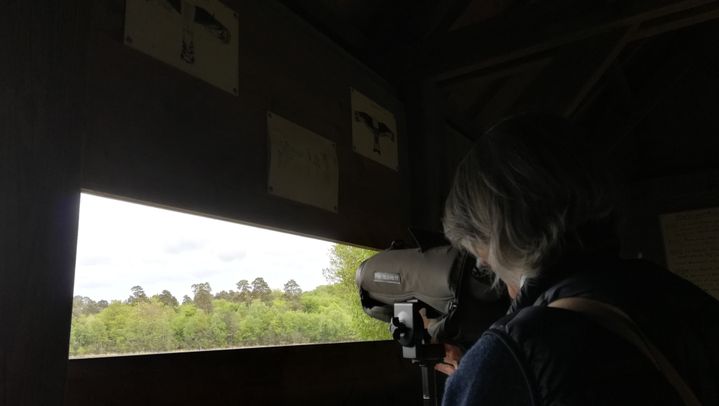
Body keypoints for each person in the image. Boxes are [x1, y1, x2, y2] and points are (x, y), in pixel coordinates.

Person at [439, 114, 719, 405]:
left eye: (484, 258)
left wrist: (484, 374)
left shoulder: (516, 354)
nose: (487, 268)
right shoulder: (676, 295)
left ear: (502, 237)